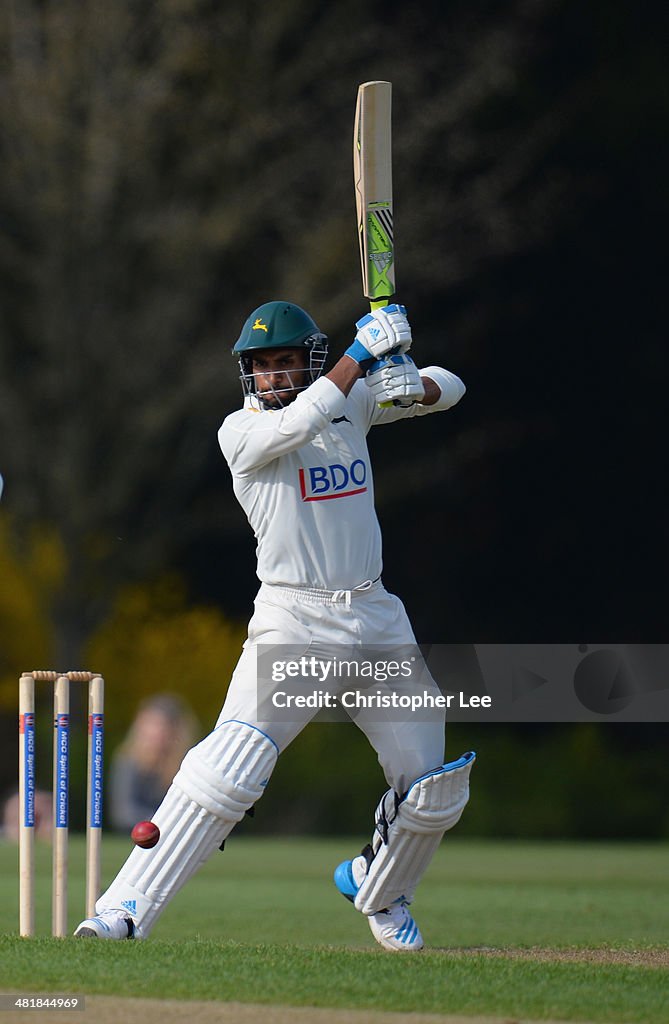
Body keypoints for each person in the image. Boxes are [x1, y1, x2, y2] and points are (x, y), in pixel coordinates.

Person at [74, 300, 475, 950]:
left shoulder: (350, 402)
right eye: (262, 365)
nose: (273, 374)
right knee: (229, 768)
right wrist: (359, 358)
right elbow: (297, 422)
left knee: (432, 788)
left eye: (285, 361)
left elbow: (451, 389)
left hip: (375, 617)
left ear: (307, 359)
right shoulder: (241, 433)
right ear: (247, 373)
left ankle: (380, 886)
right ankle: (122, 910)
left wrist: (410, 380)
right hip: (295, 621)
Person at [109, 694, 198, 832]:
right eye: (153, 724)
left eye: (164, 726)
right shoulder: (128, 761)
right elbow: (123, 812)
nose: (157, 732)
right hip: (138, 835)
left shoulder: (187, 763)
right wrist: (159, 822)